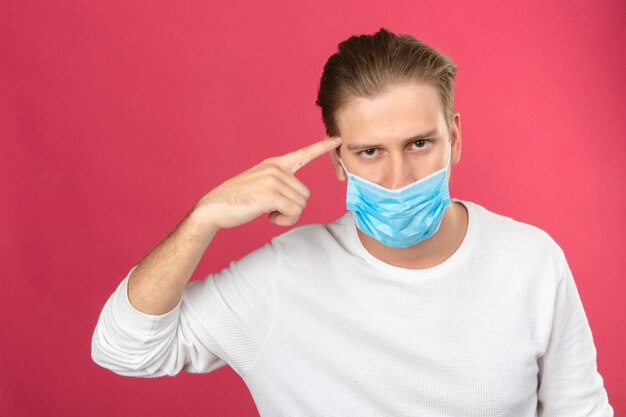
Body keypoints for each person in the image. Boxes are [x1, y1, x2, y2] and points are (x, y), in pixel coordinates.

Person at [91, 28, 614, 416]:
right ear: (338, 161)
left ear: (454, 137)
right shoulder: (282, 278)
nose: (397, 177)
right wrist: (203, 218)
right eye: (368, 152)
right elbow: (124, 350)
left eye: (419, 144)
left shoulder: (530, 260)